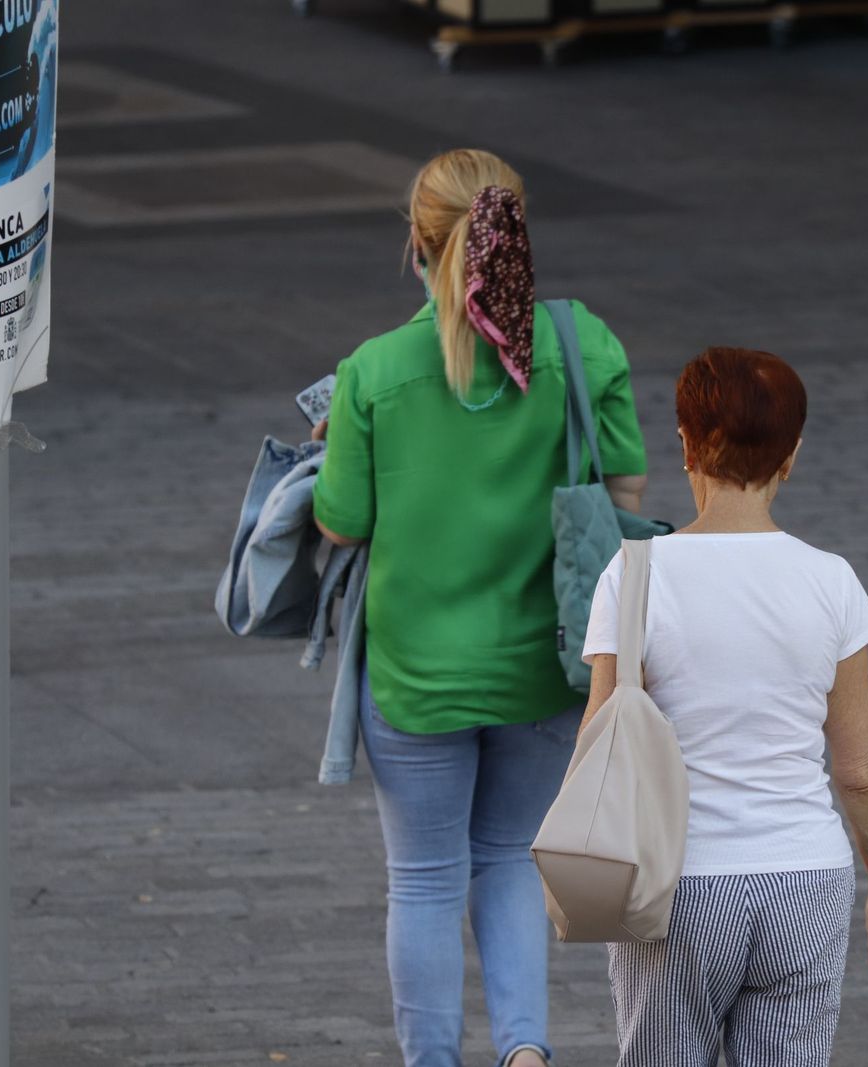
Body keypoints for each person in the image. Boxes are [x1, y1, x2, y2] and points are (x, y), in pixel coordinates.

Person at [312, 148, 649, 1067]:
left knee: (422, 880)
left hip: (416, 675)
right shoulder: (586, 345)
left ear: (417, 244)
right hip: (544, 666)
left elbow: (340, 524)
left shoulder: (374, 371)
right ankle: (527, 1052)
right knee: (506, 858)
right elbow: (626, 488)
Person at [582, 347, 868, 1066]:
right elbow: (861, 771)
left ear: (685, 444)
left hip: (675, 884)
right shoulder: (831, 581)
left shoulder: (635, 574)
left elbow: (596, 745)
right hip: (805, 881)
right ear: (791, 456)